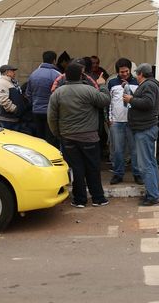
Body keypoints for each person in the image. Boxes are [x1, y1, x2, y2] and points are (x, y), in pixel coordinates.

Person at [47, 61, 111, 208]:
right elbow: (105, 101)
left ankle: (79, 199)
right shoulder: (89, 90)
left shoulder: (58, 93)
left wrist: (59, 134)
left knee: (76, 168)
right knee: (93, 167)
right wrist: (102, 85)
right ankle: (98, 198)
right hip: (89, 137)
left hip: (68, 137)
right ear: (82, 75)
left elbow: (51, 117)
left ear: (65, 76)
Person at [124, 63, 159, 206]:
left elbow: (148, 103)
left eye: (137, 73)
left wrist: (131, 100)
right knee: (150, 162)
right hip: (147, 127)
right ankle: (154, 191)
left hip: (144, 129)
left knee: (145, 164)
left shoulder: (148, 85)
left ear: (140, 74)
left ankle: (153, 196)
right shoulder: (151, 85)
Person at [107, 58, 141, 185]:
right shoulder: (112, 83)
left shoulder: (137, 82)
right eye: (122, 72)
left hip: (133, 121)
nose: (125, 74)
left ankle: (137, 174)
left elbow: (139, 99)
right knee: (117, 150)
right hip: (117, 121)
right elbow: (109, 101)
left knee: (135, 150)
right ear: (117, 72)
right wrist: (110, 118)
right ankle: (118, 174)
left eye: (126, 71)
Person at [25, 51, 61, 146]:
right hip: (50, 112)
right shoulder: (57, 74)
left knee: (39, 137)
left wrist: (34, 103)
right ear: (54, 60)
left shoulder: (34, 74)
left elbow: (28, 93)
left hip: (36, 110)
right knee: (51, 138)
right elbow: (60, 94)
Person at [0, 64, 27, 132]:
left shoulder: (11, 82)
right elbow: (4, 100)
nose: (14, 73)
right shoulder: (3, 83)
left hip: (13, 118)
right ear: (7, 72)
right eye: (12, 71)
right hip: (7, 119)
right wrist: (15, 110)